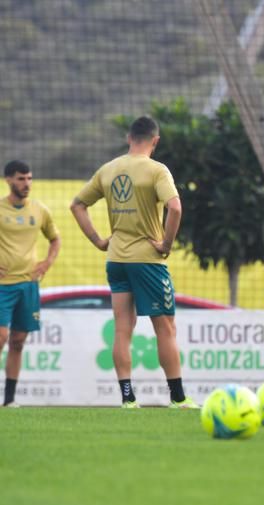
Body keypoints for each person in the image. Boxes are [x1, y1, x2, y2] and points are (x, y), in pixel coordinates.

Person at [71, 116, 197, 408]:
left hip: (116, 260)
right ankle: (178, 398)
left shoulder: (108, 169)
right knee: (165, 328)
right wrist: (166, 244)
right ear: (155, 141)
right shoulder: (156, 170)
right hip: (148, 261)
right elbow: (175, 207)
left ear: (129, 138)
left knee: (122, 329)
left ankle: (128, 398)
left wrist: (98, 240)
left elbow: (77, 205)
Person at [0, 160, 61, 407]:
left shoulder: (40, 210)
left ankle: (10, 400)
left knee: (18, 341)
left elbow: (55, 240)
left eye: (29, 178)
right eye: (21, 179)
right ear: (8, 180)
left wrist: (47, 263)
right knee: (1, 336)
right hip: (3, 287)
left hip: (28, 285)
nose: (27, 183)